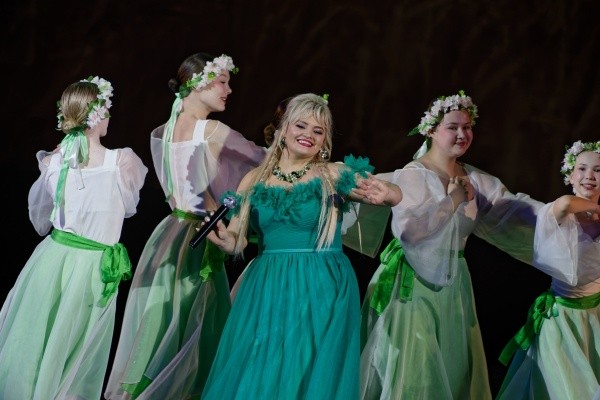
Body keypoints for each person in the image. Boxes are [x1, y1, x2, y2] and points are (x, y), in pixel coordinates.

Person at [200, 93, 403, 399]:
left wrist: (387, 193)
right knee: (261, 368)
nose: (308, 134)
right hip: (268, 283)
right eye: (301, 125)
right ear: (283, 128)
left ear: (325, 140)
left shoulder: (333, 174)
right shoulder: (254, 179)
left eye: (318, 131)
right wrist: (228, 241)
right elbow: (237, 236)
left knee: (307, 369)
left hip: (322, 283)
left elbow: (395, 194)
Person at [359, 90, 544, 399]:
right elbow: (413, 232)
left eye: (467, 127)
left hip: (455, 284)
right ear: (431, 130)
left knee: (454, 369)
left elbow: (513, 207)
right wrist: (454, 198)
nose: (462, 134)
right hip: (415, 284)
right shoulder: (414, 174)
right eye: (453, 127)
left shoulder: (474, 178)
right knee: (417, 370)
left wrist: (559, 215)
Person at [104, 53, 266, 400]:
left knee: (164, 317)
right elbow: (262, 161)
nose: (228, 90)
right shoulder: (211, 130)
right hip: (199, 232)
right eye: (222, 82)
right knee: (199, 320)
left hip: (169, 233)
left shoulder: (162, 132)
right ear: (197, 83)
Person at [0, 76, 147, 400]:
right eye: (107, 111)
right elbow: (129, 207)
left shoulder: (55, 162)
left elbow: (40, 216)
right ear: (96, 116)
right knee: (64, 344)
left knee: (46, 340)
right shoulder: (122, 161)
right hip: (84, 267)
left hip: (57, 260)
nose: (109, 117)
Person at [496, 140, 600, 400]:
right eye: (582, 169)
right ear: (570, 176)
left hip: (596, 314)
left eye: (598, 170)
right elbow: (565, 203)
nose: (589, 176)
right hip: (562, 319)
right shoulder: (559, 213)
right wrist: (596, 208)